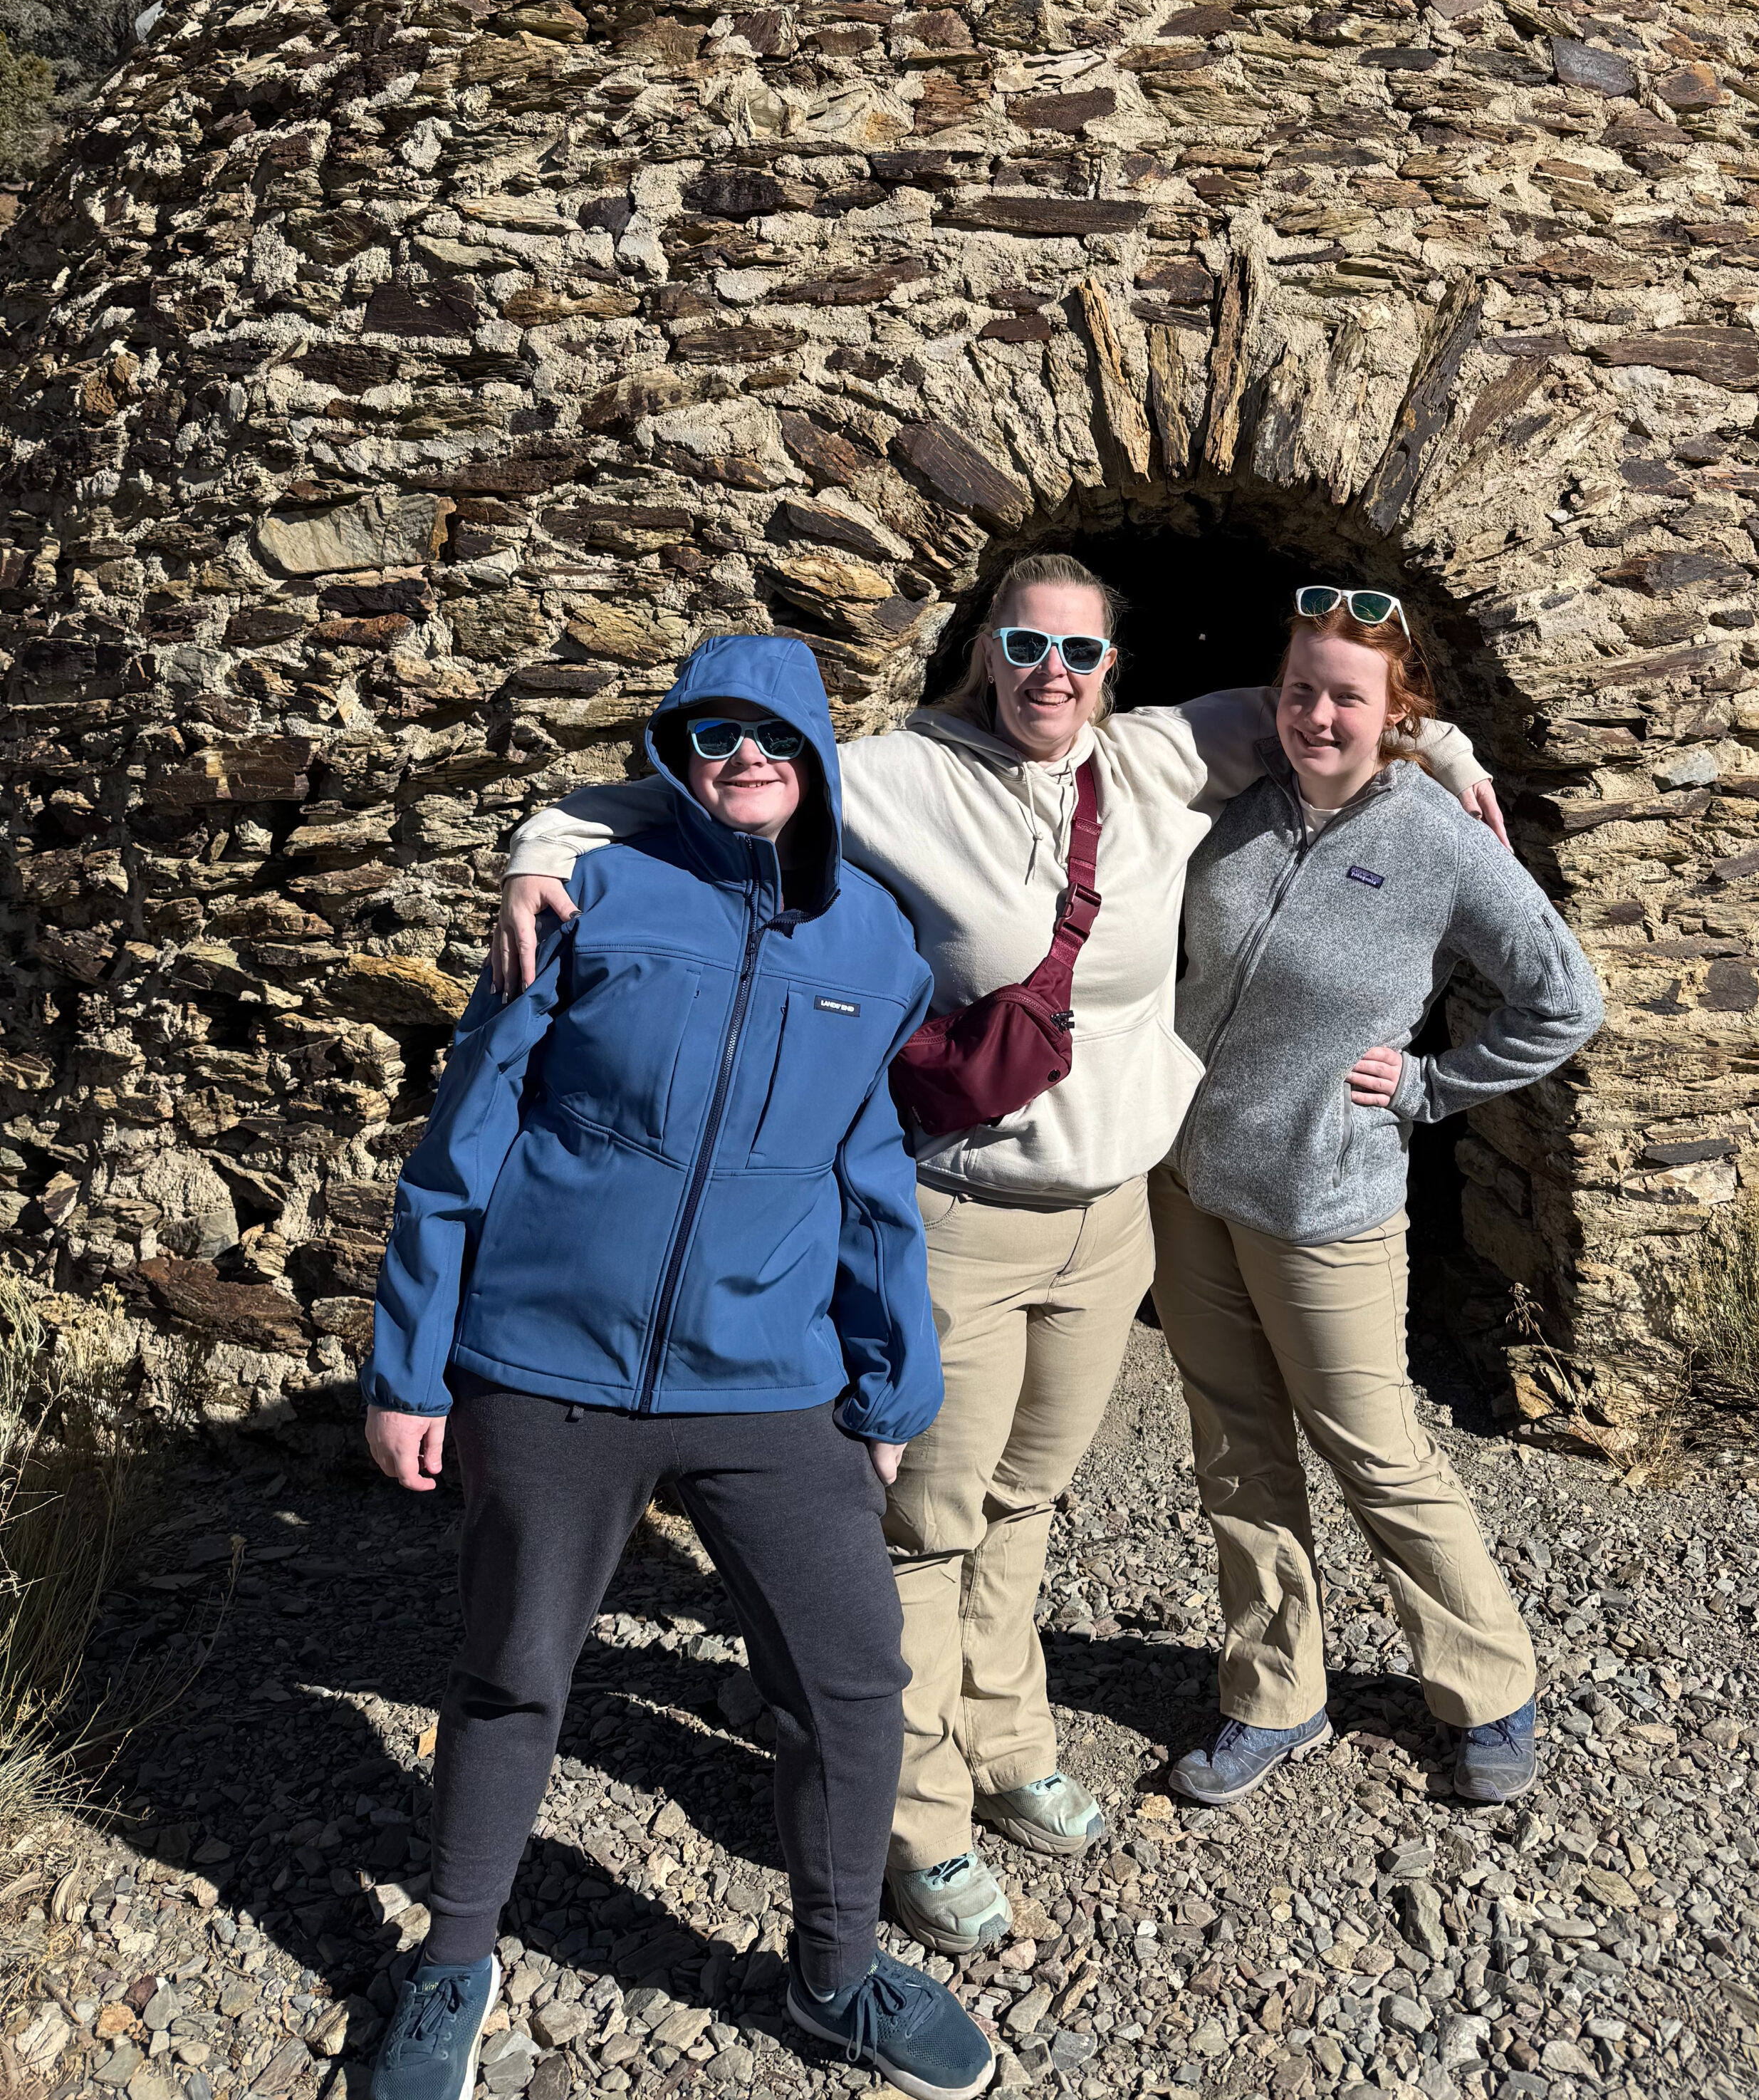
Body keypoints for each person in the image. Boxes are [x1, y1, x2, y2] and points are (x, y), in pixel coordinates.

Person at [489, 556, 1508, 1955]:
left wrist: (1444, 747)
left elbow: (1331, 702)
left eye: (1080, 653)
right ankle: (916, 1819)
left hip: (1114, 1217)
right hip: (965, 1212)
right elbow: (712, 784)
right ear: (986, 649)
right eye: (1027, 645)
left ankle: (1009, 1735)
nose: (1054, 673)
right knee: (922, 1520)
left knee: (1029, 1494)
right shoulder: (906, 775)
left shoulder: (1154, 756)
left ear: (1111, 666)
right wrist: (545, 844)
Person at [360, 635, 993, 2100]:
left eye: (771, 732)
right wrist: (411, 1368)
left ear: (818, 750)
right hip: (547, 1364)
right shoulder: (590, 897)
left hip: (771, 1380)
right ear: (675, 754)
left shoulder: (875, 949)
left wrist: (894, 1386)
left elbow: (870, 1175)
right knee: (513, 1672)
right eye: (710, 732)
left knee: (852, 1682)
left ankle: (835, 1973)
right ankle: (454, 1958)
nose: (742, 755)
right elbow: (467, 1139)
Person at [1151, 592, 1604, 1810]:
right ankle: (1274, 1694)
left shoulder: (1438, 839)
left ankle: (1489, 1685)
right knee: (1235, 1450)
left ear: (1395, 711)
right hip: (1190, 1185)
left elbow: (1567, 1000)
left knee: (1379, 1454)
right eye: (1300, 690)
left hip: (1325, 1204)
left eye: (1347, 695)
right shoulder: (1235, 809)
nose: (1317, 715)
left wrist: (1432, 1084)